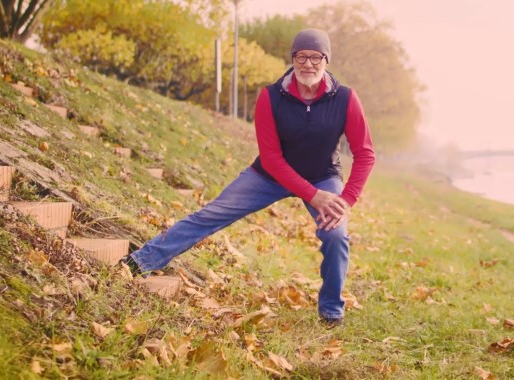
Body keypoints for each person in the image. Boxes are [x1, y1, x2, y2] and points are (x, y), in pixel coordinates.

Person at [121, 28, 375, 327]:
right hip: (269, 176)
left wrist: (345, 200)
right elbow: (272, 158)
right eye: (301, 56)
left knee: (336, 234)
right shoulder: (270, 96)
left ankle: (331, 310)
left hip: (323, 177)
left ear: (326, 60)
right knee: (210, 214)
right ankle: (140, 262)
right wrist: (312, 195)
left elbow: (365, 153)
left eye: (316, 57)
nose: (308, 64)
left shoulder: (345, 98)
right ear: (293, 59)